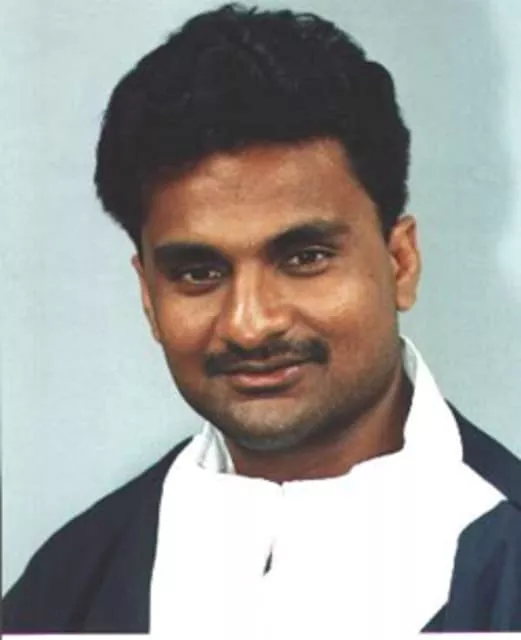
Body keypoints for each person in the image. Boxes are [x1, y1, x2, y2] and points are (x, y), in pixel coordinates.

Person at [3, 3, 521, 636]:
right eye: (199, 272)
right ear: (148, 295)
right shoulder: (63, 590)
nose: (249, 325)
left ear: (400, 262)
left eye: (305, 257)